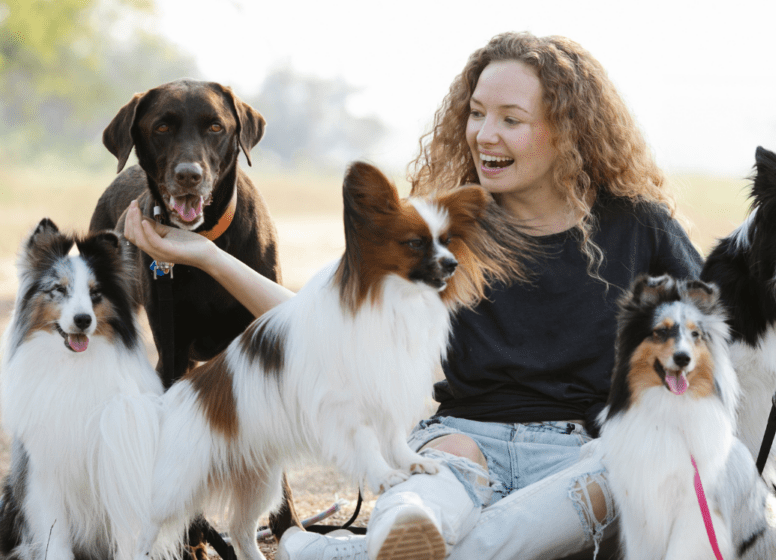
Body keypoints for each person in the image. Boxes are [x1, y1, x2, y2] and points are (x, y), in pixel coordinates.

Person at [124, 31, 703, 560]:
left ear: (570, 129)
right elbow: (321, 323)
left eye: (510, 118)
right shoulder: (439, 228)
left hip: (576, 453)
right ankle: (404, 536)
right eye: (476, 114)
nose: (484, 134)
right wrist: (205, 254)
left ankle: (337, 555)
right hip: (461, 443)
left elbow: (722, 334)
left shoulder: (639, 227)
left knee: (621, 470)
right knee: (418, 500)